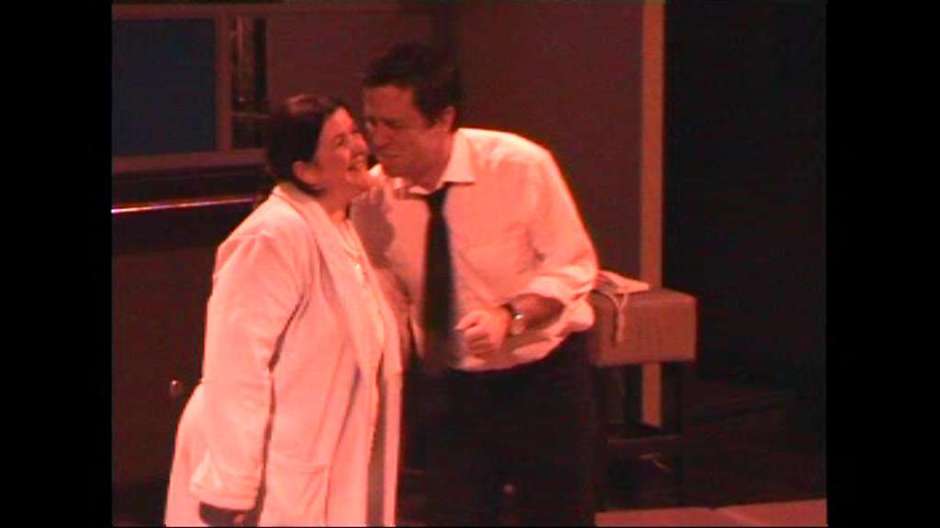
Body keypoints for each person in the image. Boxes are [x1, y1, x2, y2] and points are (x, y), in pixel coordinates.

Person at [351, 42, 600, 526]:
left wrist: (510, 316)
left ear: (443, 119)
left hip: (542, 377)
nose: (378, 140)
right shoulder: (374, 200)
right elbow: (386, 300)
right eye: (371, 122)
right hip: (453, 389)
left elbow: (571, 268)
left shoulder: (518, 166)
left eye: (394, 125)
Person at [164, 94, 402, 526]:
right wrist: (230, 485)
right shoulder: (274, 237)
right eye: (340, 142)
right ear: (307, 171)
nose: (360, 146)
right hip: (263, 468)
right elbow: (236, 364)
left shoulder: (339, 229)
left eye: (354, 133)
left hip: (309, 463)